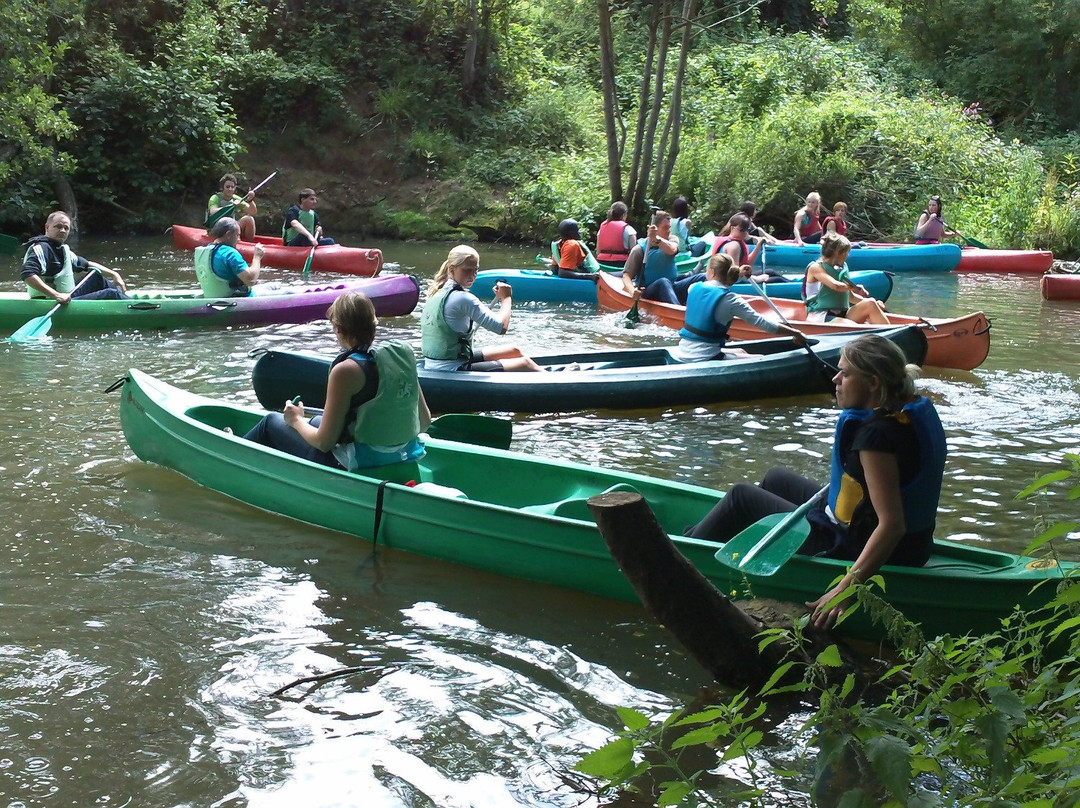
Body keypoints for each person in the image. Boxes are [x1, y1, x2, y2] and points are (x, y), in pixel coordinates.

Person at [685, 333, 947, 629]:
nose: (835, 379)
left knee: (741, 497)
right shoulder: (907, 408)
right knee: (775, 478)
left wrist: (844, 590)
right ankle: (703, 536)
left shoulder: (877, 437)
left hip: (863, 546)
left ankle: (683, 556)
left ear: (873, 383)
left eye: (845, 373)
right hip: (909, 541)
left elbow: (892, 525)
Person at [243, 291, 431, 477]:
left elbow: (324, 443)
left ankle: (235, 454)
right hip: (403, 454)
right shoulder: (401, 357)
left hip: (357, 462)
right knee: (317, 421)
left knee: (270, 423)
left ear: (338, 329)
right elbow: (424, 421)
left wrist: (296, 420)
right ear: (373, 323)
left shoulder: (346, 371)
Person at [421, 245, 545, 372]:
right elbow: (501, 327)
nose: (472, 275)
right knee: (525, 363)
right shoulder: (462, 298)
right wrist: (506, 298)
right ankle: (556, 382)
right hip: (451, 367)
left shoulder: (436, 293)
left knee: (514, 351)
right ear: (452, 269)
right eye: (467, 270)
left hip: (445, 360)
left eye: (475, 270)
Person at [674, 252, 807, 363]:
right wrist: (795, 333)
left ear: (712, 272)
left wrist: (738, 274)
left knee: (741, 351)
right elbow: (764, 324)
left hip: (684, 349)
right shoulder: (731, 300)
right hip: (704, 357)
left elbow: (716, 285)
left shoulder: (693, 288)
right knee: (760, 358)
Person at [21, 211, 130, 302]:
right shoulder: (41, 248)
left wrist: (114, 274)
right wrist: (57, 295)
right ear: (47, 227)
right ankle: (134, 307)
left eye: (66, 228)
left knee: (96, 278)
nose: (62, 230)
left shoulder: (62, 249)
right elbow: (28, 275)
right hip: (51, 301)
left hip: (67, 296)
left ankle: (127, 300)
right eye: (58, 226)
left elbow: (87, 264)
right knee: (111, 294)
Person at [621, 210, 705, 306]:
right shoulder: (639, 249)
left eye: (669, 227)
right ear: (655, 229)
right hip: (650, 291)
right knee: (663, 282)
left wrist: (657, 239)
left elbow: (672, 250)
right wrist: (632, 292)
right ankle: (678, 312)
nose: (669, 230)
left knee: (703, 277)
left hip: (672, 286)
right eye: (665, 228)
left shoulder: (672, 239)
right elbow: (626, 276)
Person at [803, 232, 889, 325]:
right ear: (838, 253)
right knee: (853, 325)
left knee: (871, 303)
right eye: (846, 252)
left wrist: (876, 304)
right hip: (821, 316)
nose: (847, 255)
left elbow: (851, 297)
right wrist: (853, 287)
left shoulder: (841, 268)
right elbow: (835, 286)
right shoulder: (815, 268)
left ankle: (891, 336)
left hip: (842, 313)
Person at [194, 217, 272, 298]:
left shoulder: (204, 251)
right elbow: (251, 280)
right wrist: (257, 257)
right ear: (228, 235)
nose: (239, 240)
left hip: (213, 297)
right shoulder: (230, 254)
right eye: (237, 235)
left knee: (272, 286)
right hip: (236, 301)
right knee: (284, 291)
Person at [206, 173, 257, 241]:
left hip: (231, 227)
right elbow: (213, 212)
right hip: (216, 228)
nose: (230, 189)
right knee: (231, 227)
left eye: (232, 187)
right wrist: (231, 205)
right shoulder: (215, 198)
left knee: (249, 219)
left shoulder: (236, 199)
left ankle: (249, 245)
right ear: (222, 188)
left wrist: (250, 200)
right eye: (227, 187)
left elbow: (252, 212)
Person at [596, 201, 638, 267]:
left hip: (602, 265)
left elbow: (598, 252)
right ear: (624, 215)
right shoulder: (629, 230)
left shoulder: (601, 229)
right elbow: (634, 254)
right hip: (621, 265)